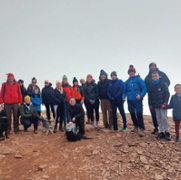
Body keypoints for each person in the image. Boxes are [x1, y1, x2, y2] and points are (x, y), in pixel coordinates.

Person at [145, 62, 170, 134]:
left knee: (164, 117)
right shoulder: (147, 77)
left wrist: (163, 88)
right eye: (151, 66)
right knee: (155, 115)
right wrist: (149, 91)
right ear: (149, 68)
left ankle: (167, 131)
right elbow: (145, 87)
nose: (152, 67)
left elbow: (168, 82)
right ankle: (157, 128)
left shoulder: (162, 74)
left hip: (162, 100)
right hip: (153, 100)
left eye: (154, 66)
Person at [123, 65, 147, 137]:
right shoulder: (126, 82)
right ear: (128, 73)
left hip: (138, 100)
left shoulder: (139, 79)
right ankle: (136, 125)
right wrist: (123, 97)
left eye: (132, 71)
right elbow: (124, 91)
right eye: (130, 72)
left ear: (134, 72)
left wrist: (141, 95)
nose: (131, 73)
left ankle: (142, 128)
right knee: (132, 113)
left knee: (139, 113)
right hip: (130, 100)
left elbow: (144, 88)